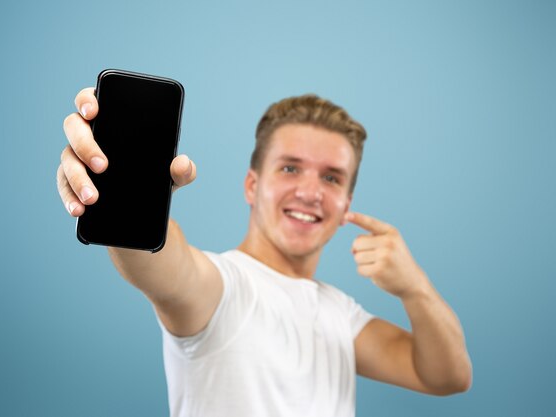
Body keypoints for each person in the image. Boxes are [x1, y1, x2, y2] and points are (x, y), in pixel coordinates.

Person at [57, 89, 472, 417]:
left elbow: (446, 375)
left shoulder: (341, 316)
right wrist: (120, 192)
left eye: (331, 177)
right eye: (290, 168)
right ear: (252, 186)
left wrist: (415, 287)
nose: (310, 193)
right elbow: (163, 265)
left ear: (346, 204)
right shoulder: (221, 290)